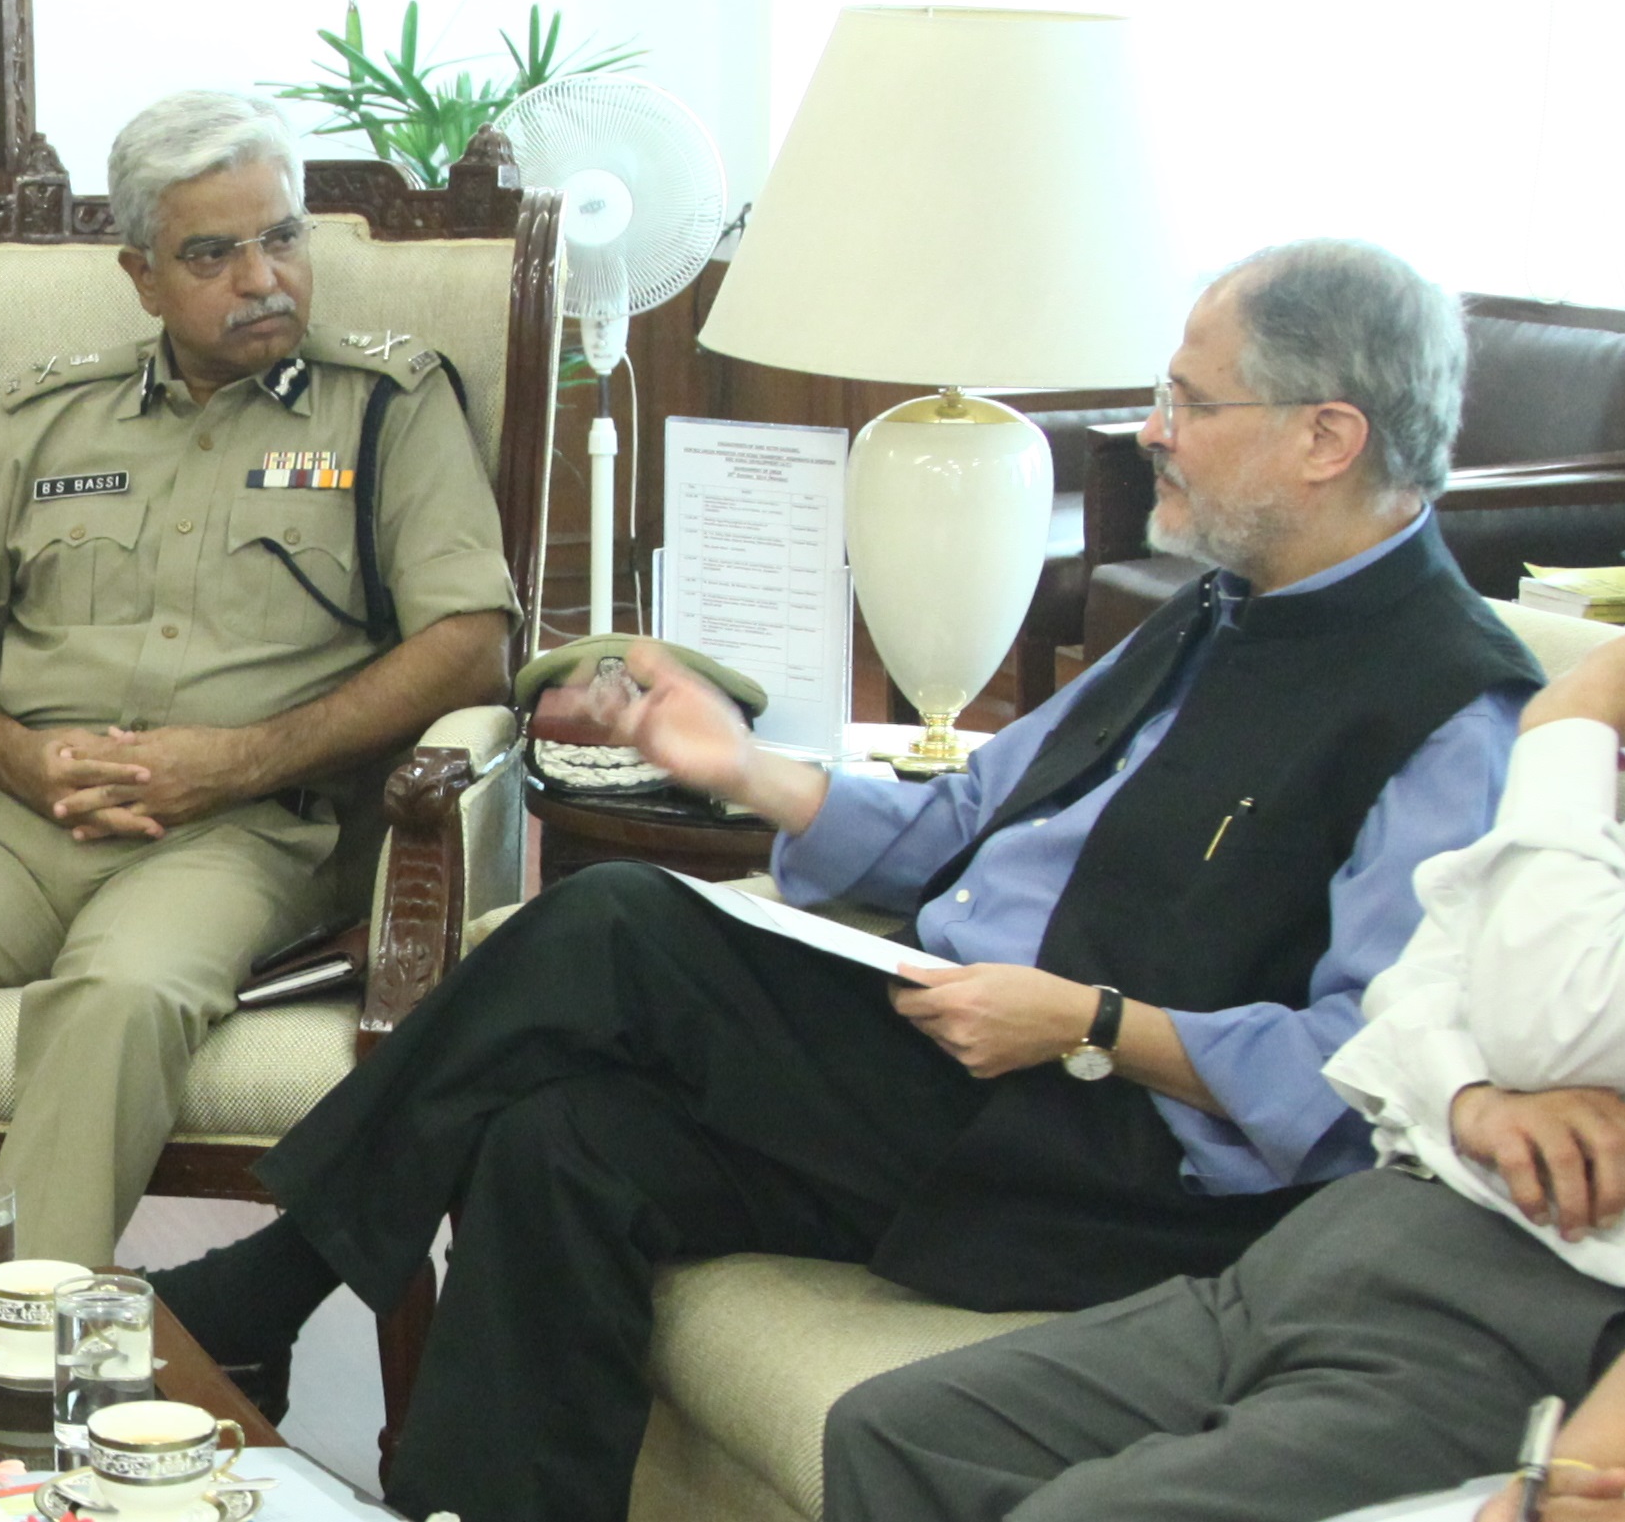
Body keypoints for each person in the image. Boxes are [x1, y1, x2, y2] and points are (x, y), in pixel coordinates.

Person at [145, 238, 1544, 1521]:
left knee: (617, 925)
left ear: (1324, 437)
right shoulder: (1212, 614)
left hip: (1109, 1166)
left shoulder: (1450, 710)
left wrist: (1092, 1022)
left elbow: (1362, 1076)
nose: (1149, 432)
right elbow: (964, 813)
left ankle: (264, 1285)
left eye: (1188, 401)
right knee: (561, 1139)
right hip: (949, 1068)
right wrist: (740, 767)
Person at [0, 89, 518, 1268]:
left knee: (119, 1000)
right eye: (214, 252)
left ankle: (21, 1367)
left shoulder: (387, 408)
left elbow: (470, 644)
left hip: (242, 828)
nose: (263, 278)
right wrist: (13, 756)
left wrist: (240, 761)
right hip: (14, 811)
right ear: (142, 274)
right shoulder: (52, 415)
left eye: (282, 237)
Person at [820, 629, 1625, 1521]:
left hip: (1520, 1312)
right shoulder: (1206, 617)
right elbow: (1407, 991)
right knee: (895, 1430)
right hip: (1346, 1236)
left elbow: (1543, 1017)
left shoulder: (1541, 728)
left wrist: (1569, 724)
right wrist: (1466, 1094)